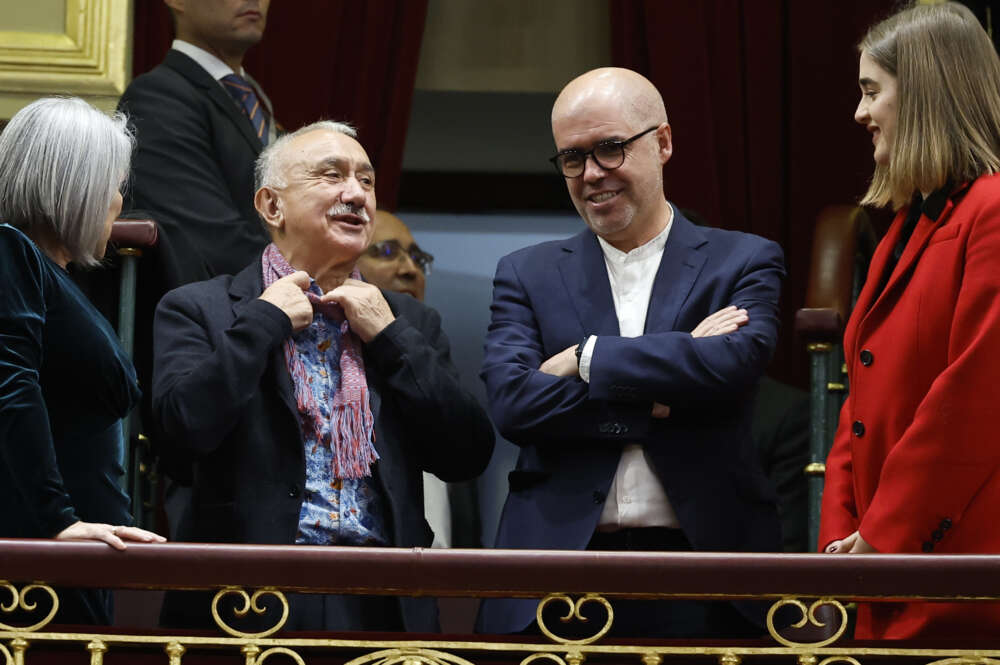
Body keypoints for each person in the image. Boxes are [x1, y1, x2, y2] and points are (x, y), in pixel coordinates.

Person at [476, 67, 785, 638]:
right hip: (559, 570)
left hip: (709, 570)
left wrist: (585, 358)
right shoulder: (526, 272)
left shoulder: (742, 259)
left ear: (662, 142)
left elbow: (733, 365)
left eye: (610, 149)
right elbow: (514, 404)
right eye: (572, 158)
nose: (592, 174)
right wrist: (664, 391)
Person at [152, 121, 495, 632]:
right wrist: (265, 322)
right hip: (245, 603)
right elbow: (181, 435)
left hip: (384, 604)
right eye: (331, 175)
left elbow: (466, 452)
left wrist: (389, 338)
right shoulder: (199, 309)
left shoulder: (408, 321)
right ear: (272, 206)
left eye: (367, 180)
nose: (356, 194)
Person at [820, 2, 1000, 639]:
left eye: (872, 91)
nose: (859, 113)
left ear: (924, 94)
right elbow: (858, 404)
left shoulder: (991, 211)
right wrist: (843, 538)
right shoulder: (906, 224)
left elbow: (975, 396)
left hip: (957, 577)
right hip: (883, 571)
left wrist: (883, 533)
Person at [0, 97, 166, 625]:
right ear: (79, 186)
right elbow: (10, 387)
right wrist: (59, 522)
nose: (119, 202)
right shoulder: (11, 251)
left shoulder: (51, 273)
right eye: (115, 185)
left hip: (65, 562)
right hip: (37, 567)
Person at [118, 0, 275, 283]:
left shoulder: (253, 98)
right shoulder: (156, 98)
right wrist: (311, 280)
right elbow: (214, 238)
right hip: (209, 316)